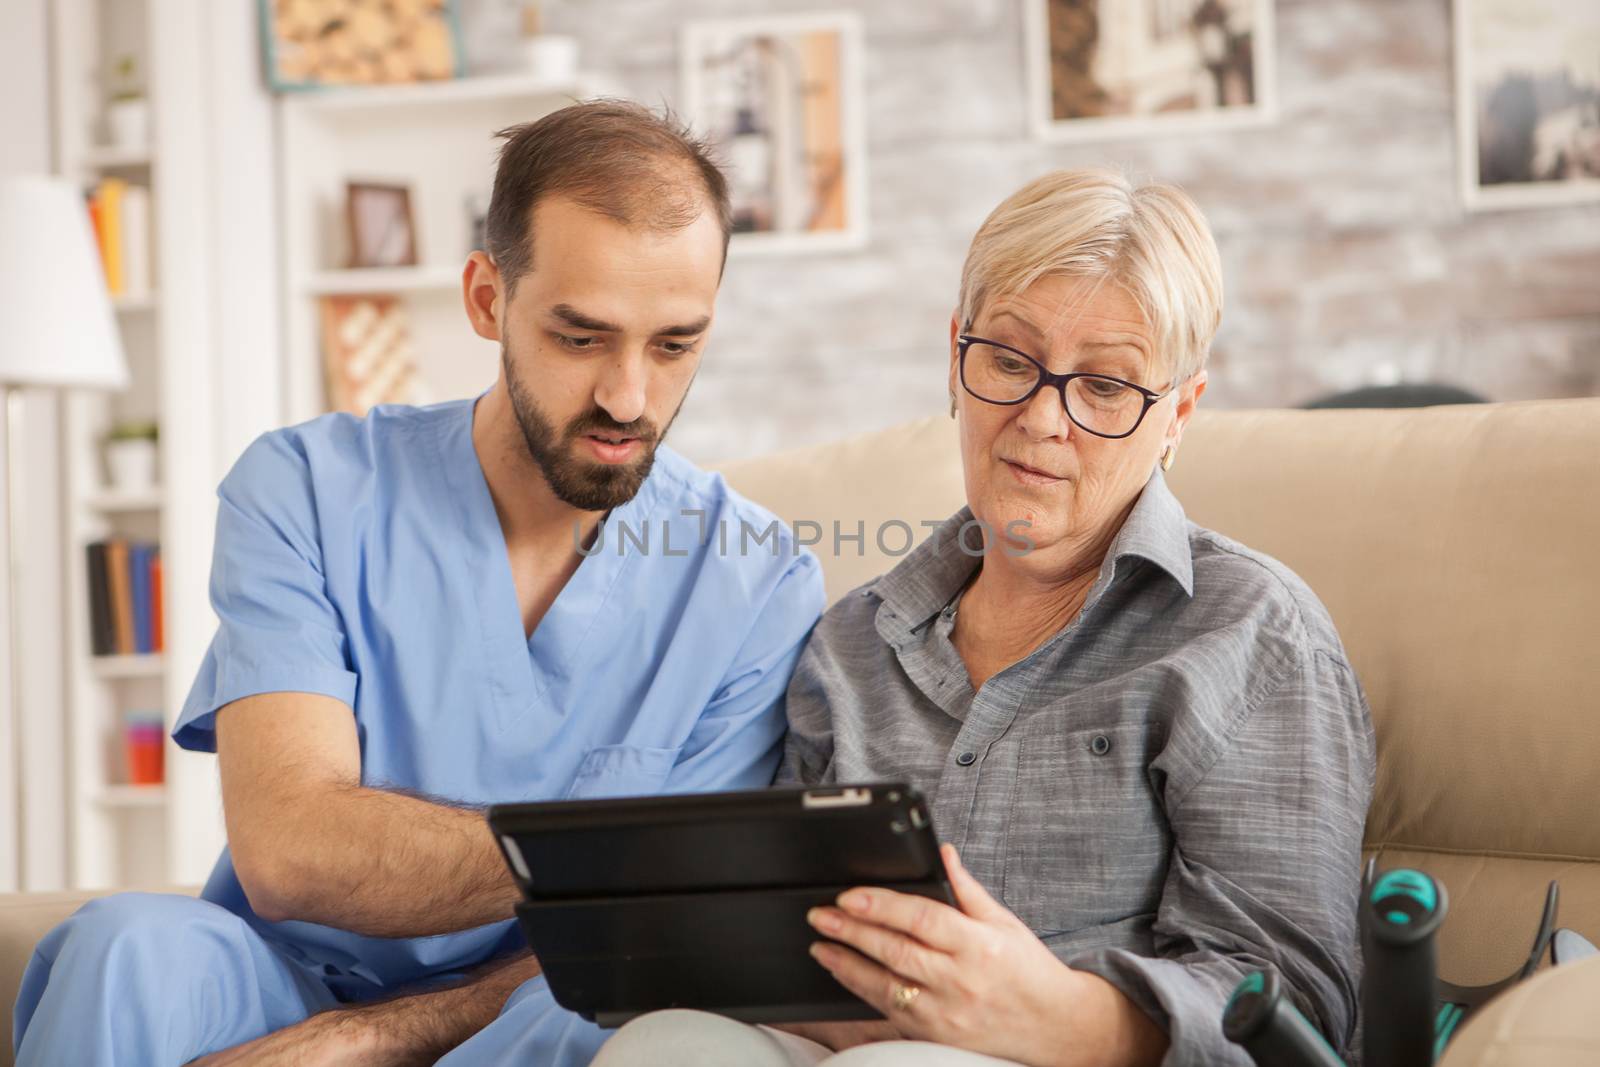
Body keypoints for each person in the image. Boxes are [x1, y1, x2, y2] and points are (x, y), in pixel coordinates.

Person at [12, 101, 825, 1067]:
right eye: (580, 337)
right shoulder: (306, 489)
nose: (627, 397)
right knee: (124, 949)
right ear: (487, 299)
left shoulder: (757, 582)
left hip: (531, 1010)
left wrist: (369, 1036)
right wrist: (608, 859)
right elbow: (289, 850)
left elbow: (658, 931)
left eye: (674, 344)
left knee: (626, 1018)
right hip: (275, 981)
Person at [594, 169, 1375, 1066]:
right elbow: (771, 932)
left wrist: (1057, 1017)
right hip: (839, 1048)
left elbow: (1296, 1010)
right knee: (665, 1045)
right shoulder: (850, 644)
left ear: (1178, 415)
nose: (1044, 418)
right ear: (955, 362)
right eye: (1009, 360)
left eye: (1107, 388)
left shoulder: (1252, 635)